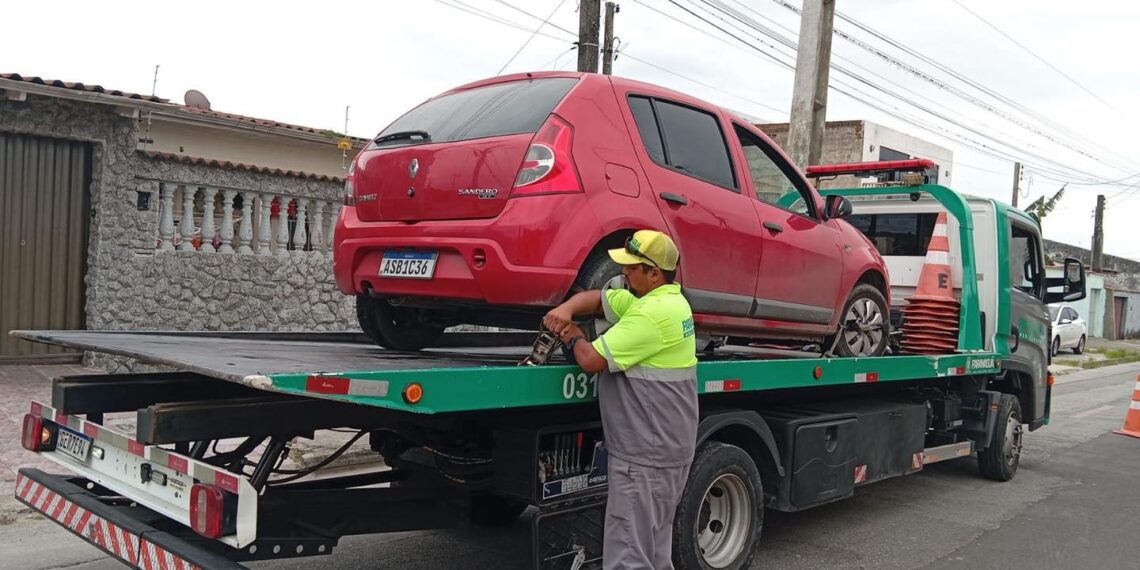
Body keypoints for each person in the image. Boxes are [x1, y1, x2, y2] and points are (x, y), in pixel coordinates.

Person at [543, 229, 698, 570]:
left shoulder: (651, 315)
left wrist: (571, 335)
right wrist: (568, 307)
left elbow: (591, 361)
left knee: (629, 556)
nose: (623, 274)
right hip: (666, 451)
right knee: (654, 551)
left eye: (631, 269)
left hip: (645, 457)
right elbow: (600, 298)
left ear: (653, 273)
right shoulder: (668, 301)